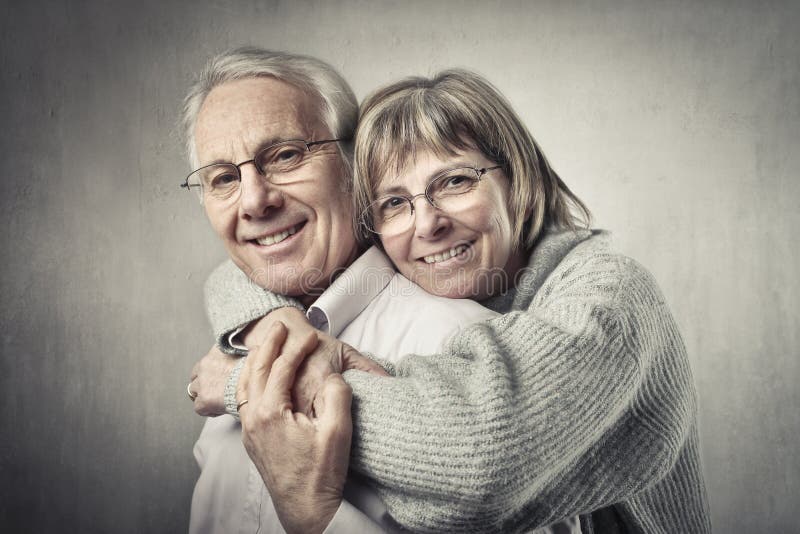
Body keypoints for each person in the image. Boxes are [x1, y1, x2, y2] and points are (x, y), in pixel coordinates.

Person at [213, 69, 713, 532]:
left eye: (454, 182)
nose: (427, 223)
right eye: (395, 203)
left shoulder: (610, 296)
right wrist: (270, 321)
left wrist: (250, 381)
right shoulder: (424, 283)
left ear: (519, 181)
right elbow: (245, 265)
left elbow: (481, 455)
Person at [182, 47, 577, 533]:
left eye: (285, 155)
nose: (255, 201)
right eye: (223, 178)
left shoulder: (464, 348)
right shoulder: (242, 339)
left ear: (356, 167)